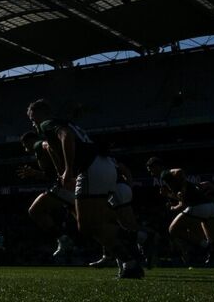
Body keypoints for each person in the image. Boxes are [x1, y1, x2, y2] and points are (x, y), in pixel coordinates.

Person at [27, 99, 143, 279]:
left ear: (39, 114)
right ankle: (131, 263)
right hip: (102, 166)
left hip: (90, 168)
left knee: (88, 226)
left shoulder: (47, 124)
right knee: (91, 225)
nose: (33, 124)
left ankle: (141, 238)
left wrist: (67, 169)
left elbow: (65, 135)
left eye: (32, 119)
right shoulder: (63, 123)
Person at [16, 131, 74, 259]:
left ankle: (63, 239)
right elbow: (48, 174)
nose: (26, 149)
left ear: (29, 141)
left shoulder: (38, 145)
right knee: (88, 224)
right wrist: (34, 173)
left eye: (25, 145)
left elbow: (47, 146)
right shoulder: (41, 153)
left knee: (35, 210)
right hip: (70, 184)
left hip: (66, 185)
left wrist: (61, 172)